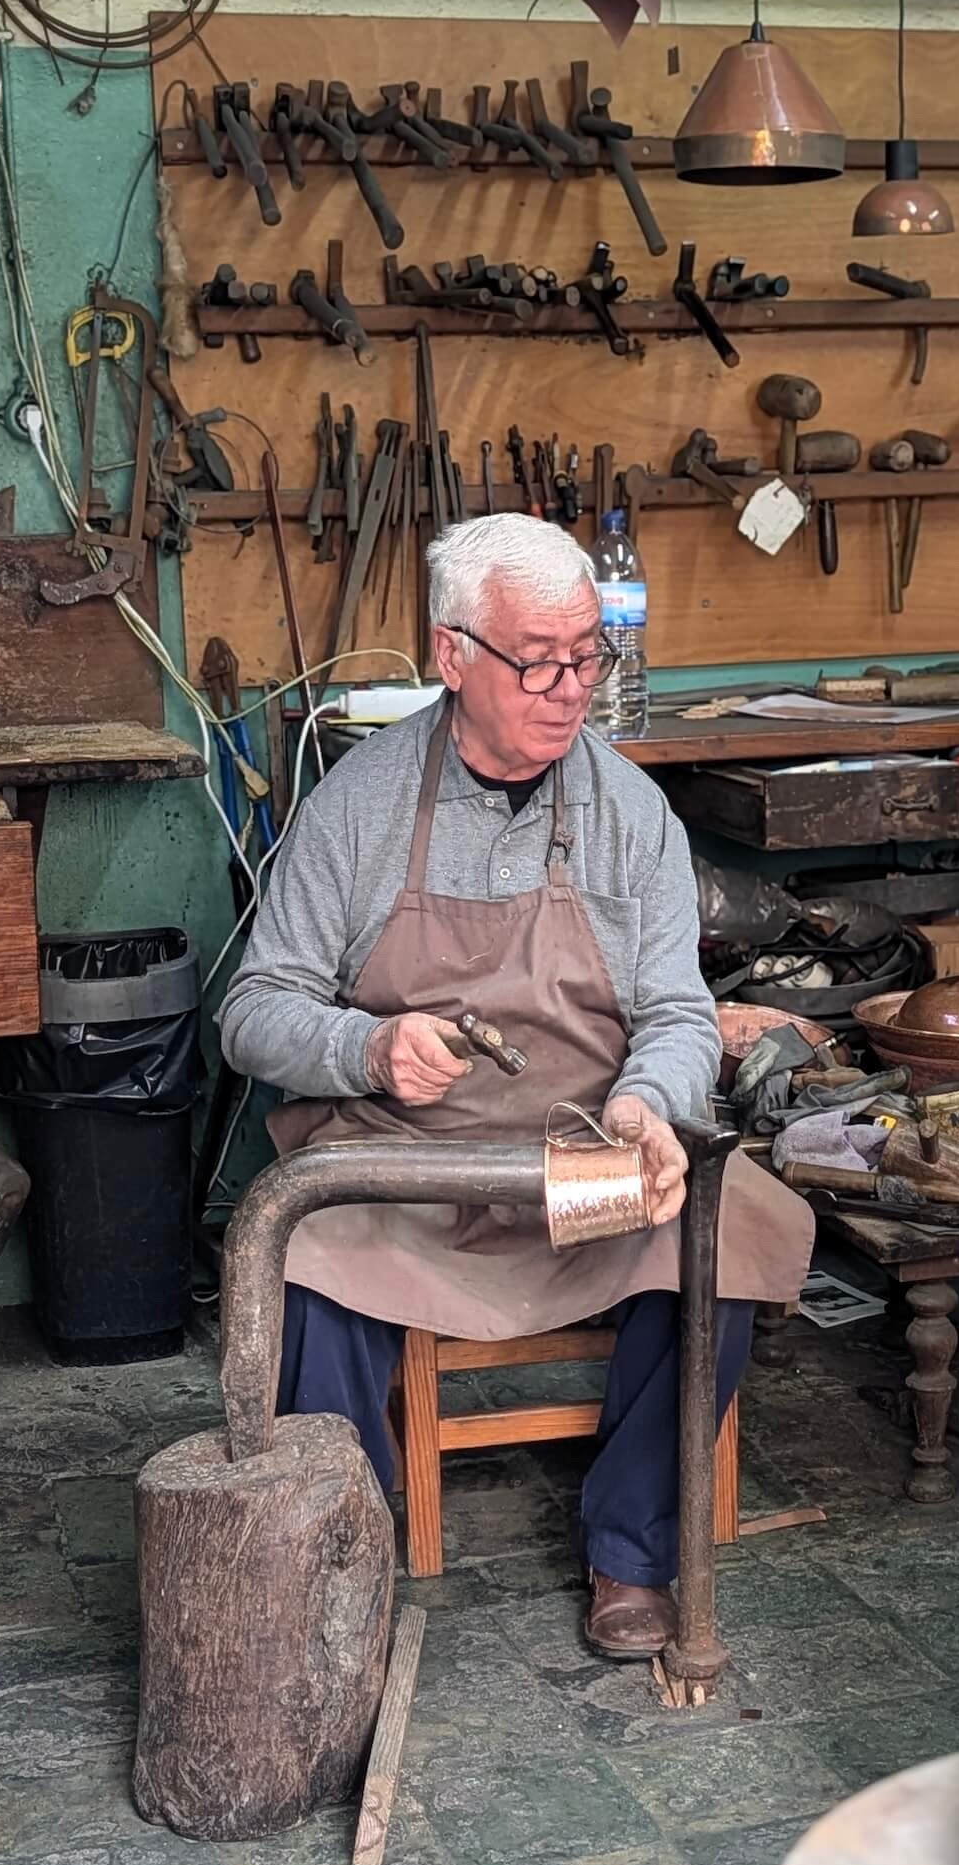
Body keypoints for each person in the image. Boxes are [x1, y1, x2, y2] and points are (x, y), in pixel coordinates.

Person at [219, 513, 812, 1658]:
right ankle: (342, 1555)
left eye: (588, 654)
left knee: (726, 1226)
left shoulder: (628, 810)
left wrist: (650, 1100)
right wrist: (367, 1049)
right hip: (407, 1166)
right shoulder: (359, 805)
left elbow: (680, 1011)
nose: (569, 687)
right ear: (452, 656)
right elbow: (253, 1011)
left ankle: (633, 1550)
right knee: (305, 1247)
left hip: (575, 1163)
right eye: (537, 658)